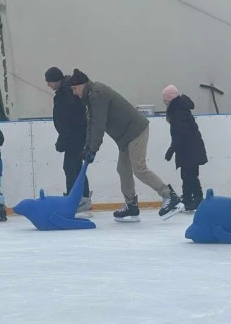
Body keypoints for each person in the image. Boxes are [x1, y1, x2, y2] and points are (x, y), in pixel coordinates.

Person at [69, 69, 183, 222]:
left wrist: (93, 148)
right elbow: (91, 122)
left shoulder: (97, 94)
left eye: (75, 88)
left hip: (135, 131)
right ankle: (131, 206)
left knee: (139, 168)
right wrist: (88, 147)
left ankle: (170, 196)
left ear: (82, 84)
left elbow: (98, 124)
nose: (74, 93)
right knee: (123, 170)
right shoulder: (90, 96)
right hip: (125, 136)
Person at [45, 66, 91, 212]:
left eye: (48, 82)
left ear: (54, 80)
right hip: (76, 134)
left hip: (74, 136)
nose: (47, 85)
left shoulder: (65, 93)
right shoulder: (65, 90)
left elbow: (66, 119)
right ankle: (81, 196)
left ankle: (76, 198)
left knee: (71, 167)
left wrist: (62, 140)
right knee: (75, 166)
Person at [162, 85, 207, 212]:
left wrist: (171, 149)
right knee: (188, 175)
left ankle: (197, 199)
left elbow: (180, 134)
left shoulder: (178, 112)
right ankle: (188, 199)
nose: (164, 104)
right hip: (190, 148)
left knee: (189, 175)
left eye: (165, 101)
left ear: (170, 100)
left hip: (189, 149)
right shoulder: (181, 109)